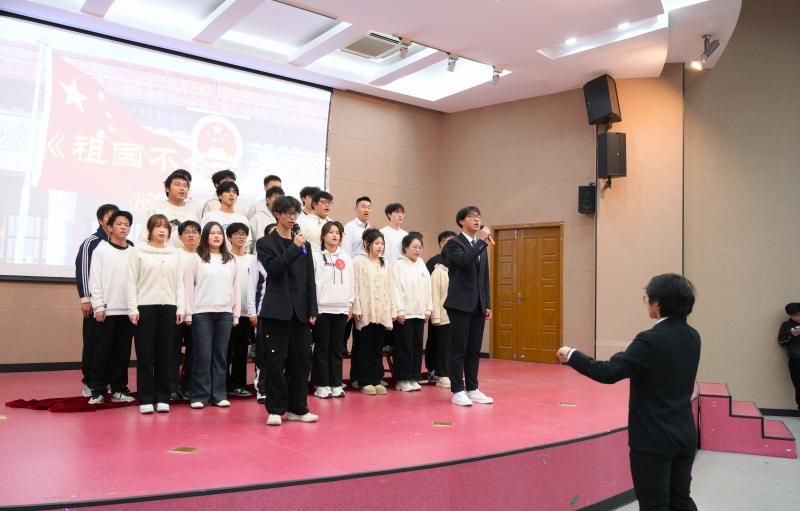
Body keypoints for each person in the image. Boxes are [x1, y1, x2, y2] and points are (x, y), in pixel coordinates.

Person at [557, 273, 701, 511]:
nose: (647, 303)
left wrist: (572, 355)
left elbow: (608, 372)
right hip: (684, 433)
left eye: (647, 298)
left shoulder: (650, 340)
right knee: (681, 500)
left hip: (653, 439)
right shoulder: (693, 336)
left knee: (654, 504)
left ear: (658, 302)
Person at [257, 196, 318, 425]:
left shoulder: (305, 245)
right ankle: (275, 409)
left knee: (301, 361)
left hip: (300, 312)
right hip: (276, 311)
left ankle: (298, 408)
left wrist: (313, 308)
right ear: (277, 214)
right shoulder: (265, 243)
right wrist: (294, 248)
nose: (293, 217)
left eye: (295, 213)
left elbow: (309, 280)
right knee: (275, 361)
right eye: (288, 213)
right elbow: (274, 268)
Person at [127, 214, 185, 414]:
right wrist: (132, 308)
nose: (162, 230)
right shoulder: (138, 252)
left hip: (169, 308)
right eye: (157, 227)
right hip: (145, 307)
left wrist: (180, 307)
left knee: (165, 354)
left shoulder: (174, 253)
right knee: (145, 355)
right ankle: (145, 398)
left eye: (165, 227)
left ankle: (162, 397)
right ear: (149, 230)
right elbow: (130, 282)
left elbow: (179, 283)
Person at [184, 221, 241, 409]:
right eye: (212, 233)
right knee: (202, 355)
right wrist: (189, 313)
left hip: (224, 313)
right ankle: (199, 396)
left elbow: (235, 287)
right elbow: (188, 287)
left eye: (219, 233)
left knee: (220, 356)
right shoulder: (196, 258)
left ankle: (219, 395)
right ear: (205, 236)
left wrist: (236, 314)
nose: (216, 236)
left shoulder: (230, 259)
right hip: (201, 313)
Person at [442, 206, 493, 406]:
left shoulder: (481, 245)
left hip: (478, 305)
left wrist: (487, 303)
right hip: (460, 305)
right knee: (459, 349)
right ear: (461, 221)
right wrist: (481, 242)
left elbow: (484, 277)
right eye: (472, 217)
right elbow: (464, 261)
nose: (477, 219)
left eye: (478, 216)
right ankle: (457, 390)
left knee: (474, 349)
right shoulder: (453, 244)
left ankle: (472, 388)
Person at [87, 210, 135, 404]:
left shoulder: (133, 251)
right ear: (109, 227)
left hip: (128, 310)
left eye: (127, 224)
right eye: (119, 224)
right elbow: (94, 280)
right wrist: (98, 306)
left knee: (123, 353)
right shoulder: (101, 249)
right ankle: (97, 390)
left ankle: (119, 389)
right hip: (106, 310)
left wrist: (134, 308)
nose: (123, 227)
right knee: (102, 352)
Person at [75, 203, 118, 397]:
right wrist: (86, 299)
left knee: (113, 345)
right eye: (109, 217)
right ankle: (90, 382)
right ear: (101, 221)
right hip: (96, 304)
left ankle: (108, 381)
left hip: (117, 304)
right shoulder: (91, 242)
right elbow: (83, 271)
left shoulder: (126, 244)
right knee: (94, 344)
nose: (114, 222)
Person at [311, 221, 354, 398]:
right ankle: (321, 384)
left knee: (337, 348)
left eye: (337, 233)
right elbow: (311, 284)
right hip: (322, 309)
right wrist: (312, 308)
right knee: (322, 348)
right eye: (331, 232)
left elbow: (351, 282)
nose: (335, 235)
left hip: (341, 309)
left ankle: (336, 383)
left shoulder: (346, 258)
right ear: (323, 236)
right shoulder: (316, 256)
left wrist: (350, 303)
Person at [352, 229, 395, 396]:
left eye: (382, 244)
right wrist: (356, 307)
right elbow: (355, 286)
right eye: (376, 243)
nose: (380, 246)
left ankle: (377, 379)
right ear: (367, 244)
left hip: (381, 311)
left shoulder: (385, 263)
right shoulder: (359, 262)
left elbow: (390, 287)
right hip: (365, 311)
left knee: (377, 348)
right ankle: (365, 380)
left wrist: (391, 309)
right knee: (364, 347)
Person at [391, 232, 432, 392]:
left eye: (420, 247)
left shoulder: (421, 264)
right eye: (414, 247)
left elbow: (428, 288)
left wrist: (428, 308)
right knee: (404, 346)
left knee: (417, 346)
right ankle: (402, 379)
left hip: (419, 312)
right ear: (405, 248)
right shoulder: (398, 265)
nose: (418, 250)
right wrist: (399, 310)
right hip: (405, 313)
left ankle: (414, 376)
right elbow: (395, 289)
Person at [173, 220, 201, 401]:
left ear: (200, 236)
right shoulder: (175, 255)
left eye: (195, 231)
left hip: (198, 311)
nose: (191, 235)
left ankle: (188, 385)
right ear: (179, 237)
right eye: (187, 232)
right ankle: (171, 385)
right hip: (176, 310)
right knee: (172, 350)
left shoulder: (204, 255)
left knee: (195, 350)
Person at [226, 222, 254, 398]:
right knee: (225, 351)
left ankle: (238, 384)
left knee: (241, 350)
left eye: (243, 234)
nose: (241, 237)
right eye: (236, 234)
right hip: (227, 312)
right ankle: (223, 384)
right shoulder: (225, 258)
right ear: (229, 237)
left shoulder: (253, 259)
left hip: (246, 312)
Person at [249, 223, 276, 403]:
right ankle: (262, 389)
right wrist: (252, 312)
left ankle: (277, 389)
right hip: (262, 313)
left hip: (282, 313)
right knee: (264, 353)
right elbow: (252, 287)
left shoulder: (287, 256)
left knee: (279, 354)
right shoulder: (257, 260)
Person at [424, 230, 456, 380]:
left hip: (453, 312)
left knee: (450, 343)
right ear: (442, 243)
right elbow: (431, 290)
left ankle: (448, 371)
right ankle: (434, 369)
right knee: (436, 340)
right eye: (449, 242)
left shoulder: (456, 261)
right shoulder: (434, 263)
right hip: (437, 309)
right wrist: (432, 312)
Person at [142, 169, 198, 247]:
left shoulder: (192, 211)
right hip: (159, 252)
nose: (182, 188)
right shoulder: (156, 208)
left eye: (185, 186)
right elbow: (144, 235)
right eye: (177, 185)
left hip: (184, 253)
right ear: (167, 188)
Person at [201, 181, 252, 252]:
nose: (232, 194)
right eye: (228, 191)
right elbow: (203, 239)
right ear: (219, 196)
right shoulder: (210, 216)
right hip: (216, 256)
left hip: (237, 257)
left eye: (234, 192)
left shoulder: (243, 219)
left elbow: (247, 243)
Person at [429, 254, 452, 389]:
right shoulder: (438, 272)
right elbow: (434, 295)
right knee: (443, 347)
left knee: (453, 347)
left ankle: (450, 373)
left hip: (455, 316)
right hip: (443, 315)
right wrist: (435, 317)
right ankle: (442, 375)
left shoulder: (456, 270)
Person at [777, 302, 800, 410]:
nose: (799, 317)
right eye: (796, 315)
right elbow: (781, 341)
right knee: (798, 385)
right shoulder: (786, 325)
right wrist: (792, 335)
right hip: (796, 359)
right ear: (790, 315)